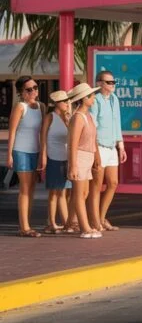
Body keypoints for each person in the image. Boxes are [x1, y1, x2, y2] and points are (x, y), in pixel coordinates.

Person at [7, 76, 45, 237]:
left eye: (35, 87)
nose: (33, 91)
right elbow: (12, 132)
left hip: (35, 151)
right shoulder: (20, 107)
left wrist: (43, 153)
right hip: (21, 151)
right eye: (29, 89)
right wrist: (9, 155)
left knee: (32, 189)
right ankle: (24, 227)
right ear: (21, 92)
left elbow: (43, 132)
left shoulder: (41, 106)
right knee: (25, 188)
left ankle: (26, 224)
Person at [90, 70, 126, 232]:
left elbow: (117, 123)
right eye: (109, 82)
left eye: (113, 82)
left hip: (112, 146)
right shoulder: (95, 100)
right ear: (99, 83)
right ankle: (95, 220)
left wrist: (121, 146)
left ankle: (101, 217)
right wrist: (95, 150)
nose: (112, 85)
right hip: (99, 145)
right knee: (96, 185)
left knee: (113, 183)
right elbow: (93, 126)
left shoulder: (114, 100)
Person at [66, 83, 102, 239]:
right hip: (79, 157)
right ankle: (85, 228)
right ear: (84, 98)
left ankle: (71, 223)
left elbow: (94, 139)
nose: (94, 98)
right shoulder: (78, 118)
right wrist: (73, 165)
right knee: (80, 194)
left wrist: (97, 157)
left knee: (84, 193)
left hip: (88, 156)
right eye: (92, 95)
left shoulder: (89, 116)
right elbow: (73, 144)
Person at [40, 90, 71, 234]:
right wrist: (44, 156)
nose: (67, 103)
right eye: (65, 101)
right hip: (54, 157)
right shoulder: (50, 117)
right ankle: (51, 222)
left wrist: (68, 117)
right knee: (54, 191)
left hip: (65, 158)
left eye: (68, 101)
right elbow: (43, 137)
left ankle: (65, 223)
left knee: (63, 191)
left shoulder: (66, 118)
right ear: (57, 103)